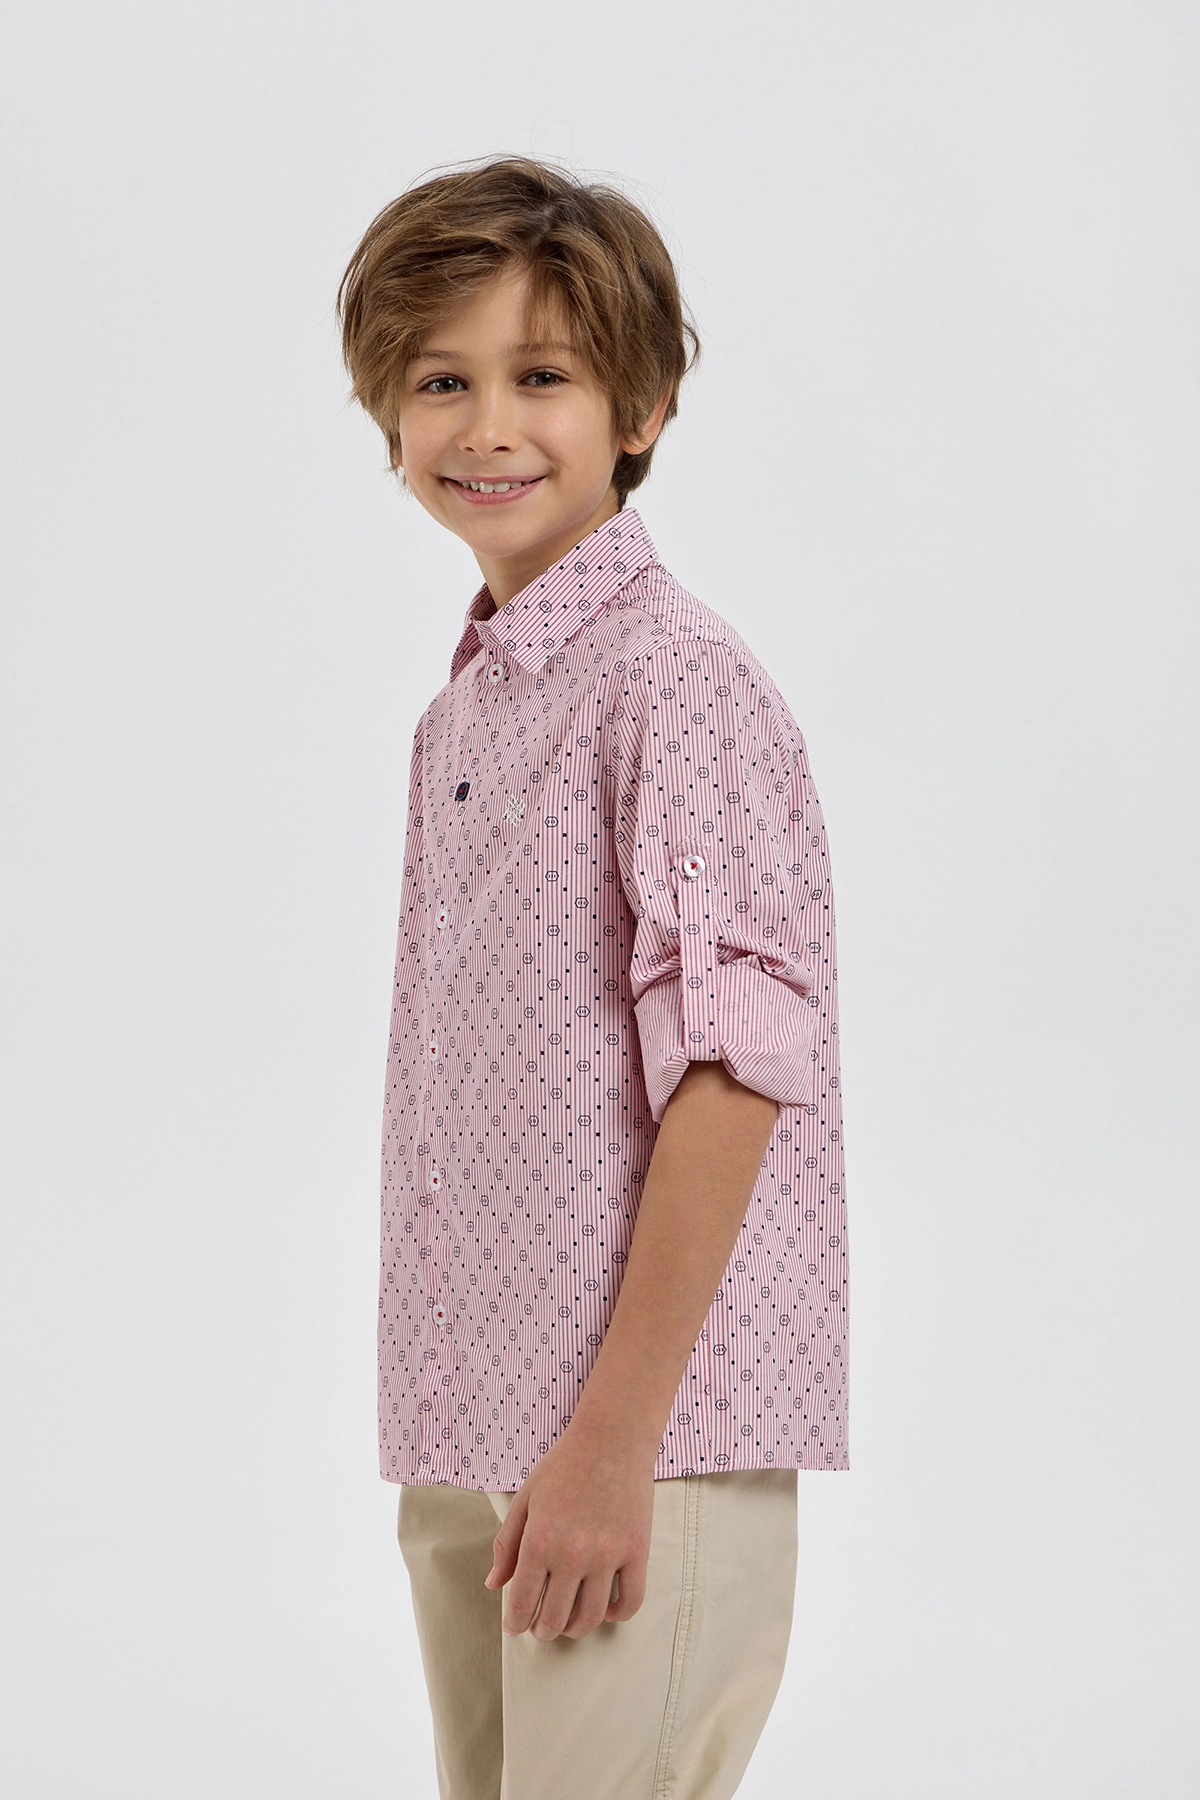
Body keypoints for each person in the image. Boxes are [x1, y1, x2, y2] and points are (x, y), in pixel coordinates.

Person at [337, 156, 849, 1800]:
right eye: (442, 380)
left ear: (641, 409)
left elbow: (735, 1074)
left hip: (635, 1446)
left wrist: (615, 1447)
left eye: (542, 376)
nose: (488, 426)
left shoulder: (673, 684)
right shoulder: (470, 705)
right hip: (476, 1427)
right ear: (388, 412)